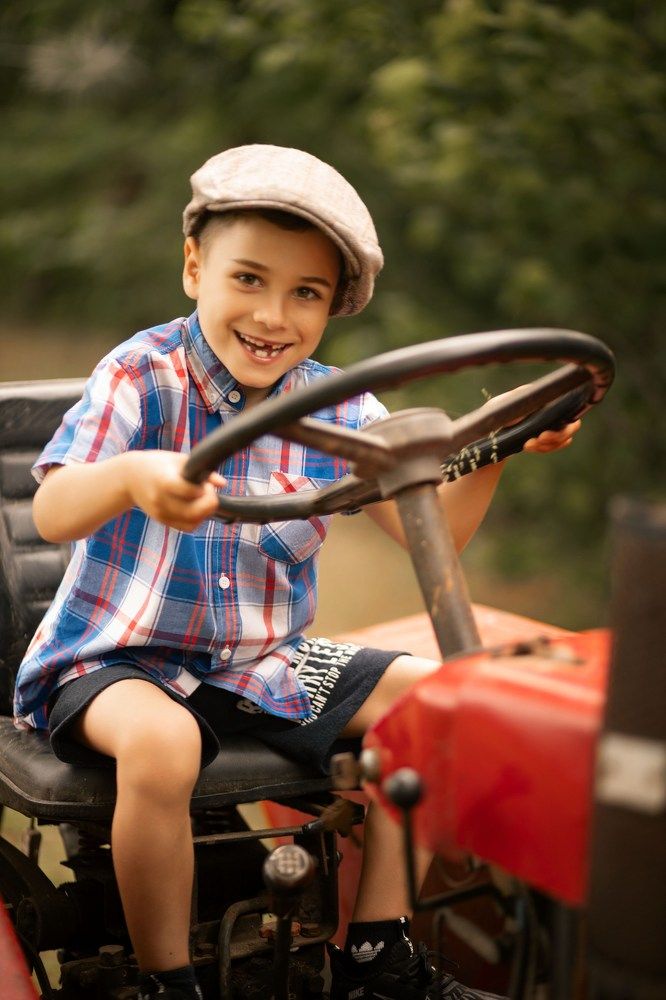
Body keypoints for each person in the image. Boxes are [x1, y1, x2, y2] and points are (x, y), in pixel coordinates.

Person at [13, 144, 580, 1000]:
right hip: (116, 661)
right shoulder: (141, 374)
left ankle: (378, 955)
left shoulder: (338, 407)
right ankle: (169, 983)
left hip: (262, 664)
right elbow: (55, 510)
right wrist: (133, 477)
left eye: (306, 293)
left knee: (440, 704)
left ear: (331, 307)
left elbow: (435, 533)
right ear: (194, 266)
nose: (273, 315)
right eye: (249, 279)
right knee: (163, 745)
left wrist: (496, 450)